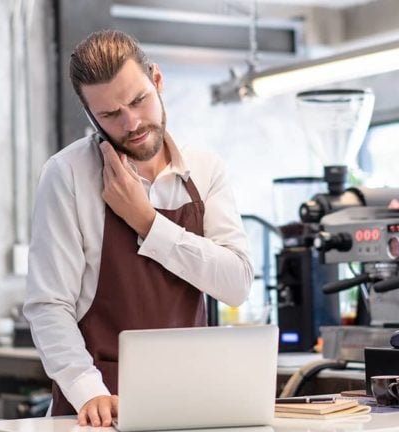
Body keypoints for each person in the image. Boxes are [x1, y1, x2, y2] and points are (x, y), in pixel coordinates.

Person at [23, 30, 253, 427]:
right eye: (111, 115)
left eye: (138, 100)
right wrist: (86, 389)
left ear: (157, 80)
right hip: (99, 408)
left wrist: (147, 222)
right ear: (91, 115)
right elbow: (48, 306)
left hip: (190, 401)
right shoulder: (67, 175)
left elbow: (236, 284)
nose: (132, 124)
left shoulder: (206, 168)